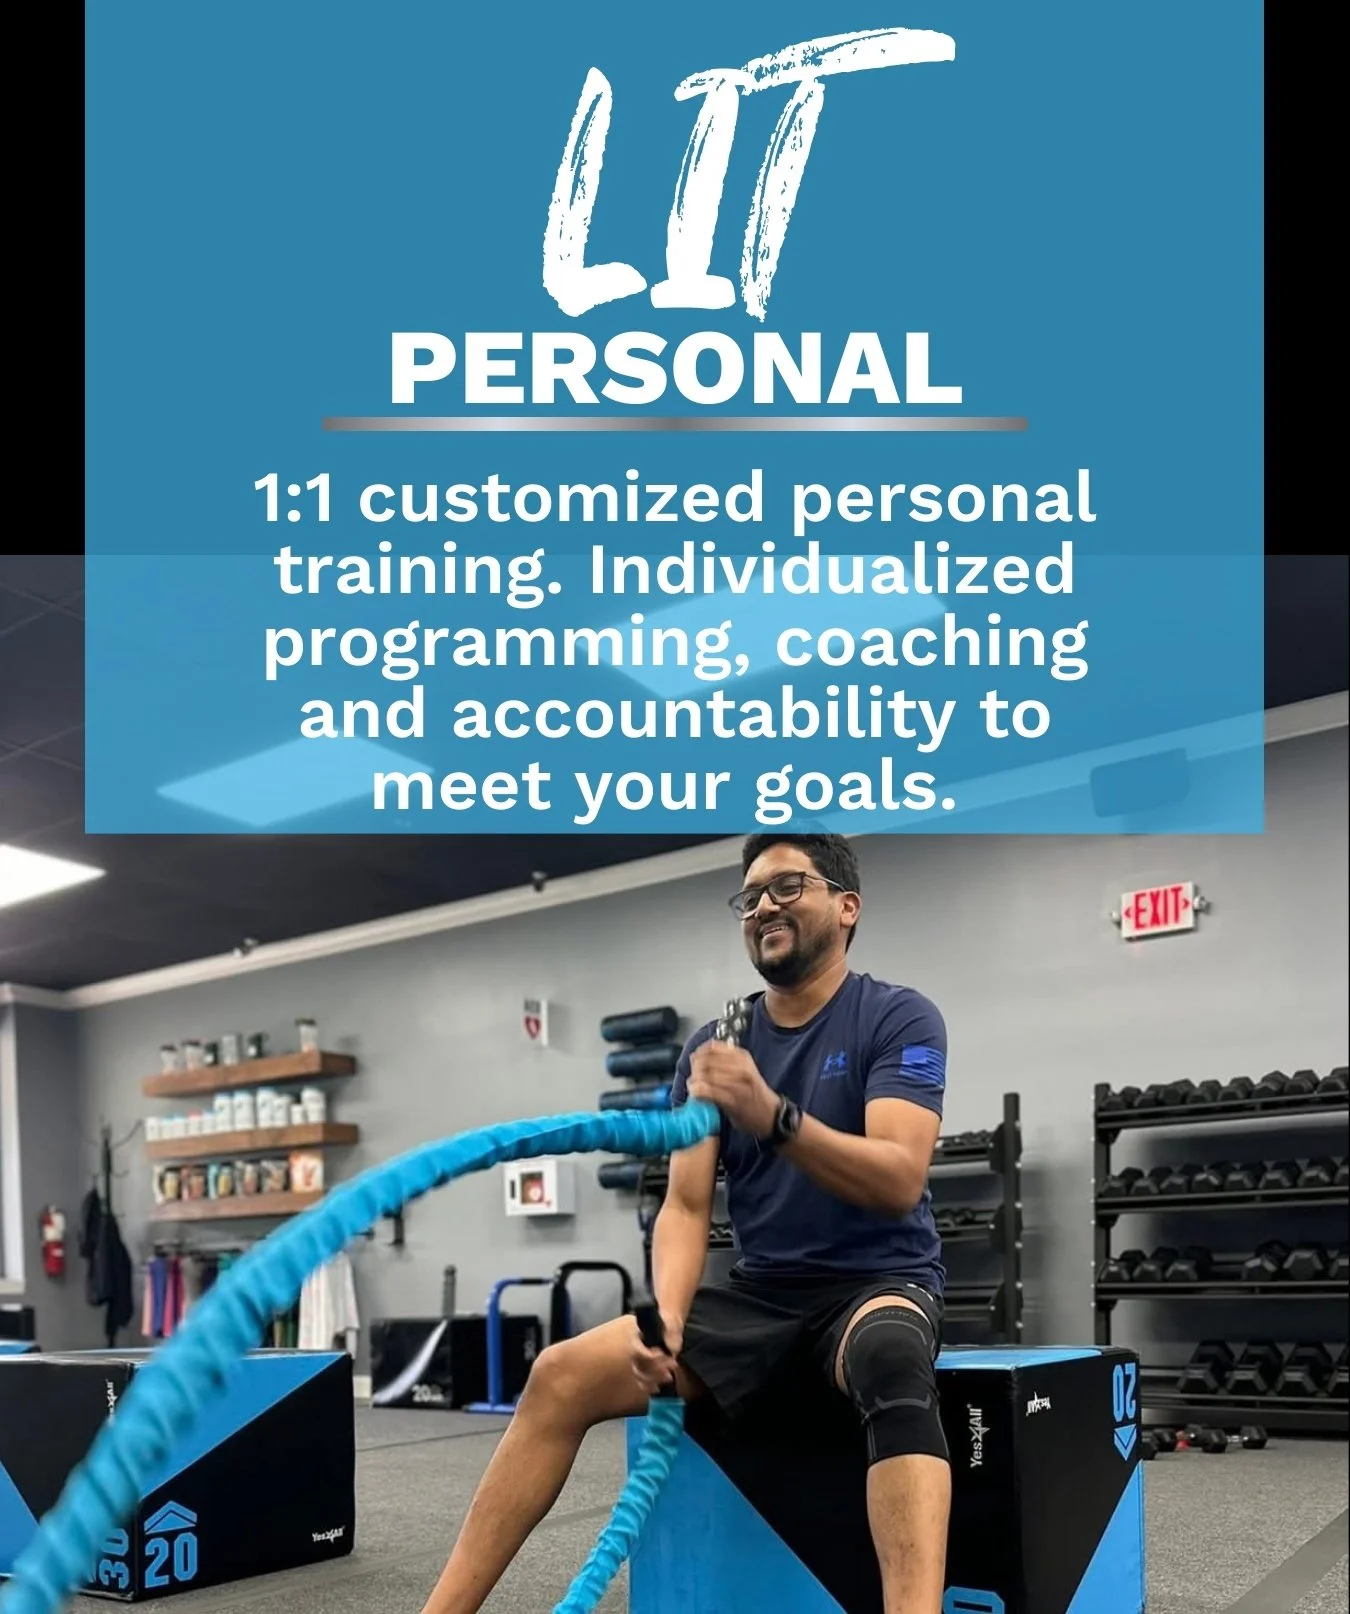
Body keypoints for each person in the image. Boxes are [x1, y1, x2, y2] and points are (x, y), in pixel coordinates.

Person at [421, 831, 951, 1614]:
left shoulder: (898, 1016)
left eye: (786, 886)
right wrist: (667, 1317)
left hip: (873, 1284)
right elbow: (687, 1204)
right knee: (558, 1374)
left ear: (847, 907)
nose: (762, 905)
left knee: (891, 1363)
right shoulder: (715, 1046)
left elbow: (899, 1178)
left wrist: (768, 1113)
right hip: (760, 1296)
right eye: (749, 896)